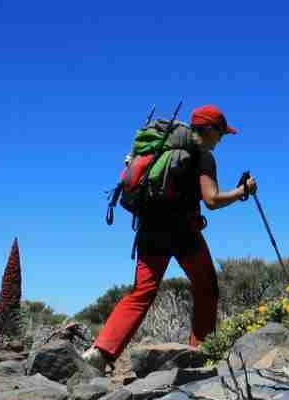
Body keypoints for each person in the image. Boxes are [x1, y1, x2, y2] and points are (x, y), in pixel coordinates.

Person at [82, 105, 258, 371]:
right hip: (184, 233)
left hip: (149, 230)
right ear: (209, 130)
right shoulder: (202, 156)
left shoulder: (158, 150)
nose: (221, 139)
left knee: (142, 292)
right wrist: (243, 190)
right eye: (221, 133)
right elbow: (211, 200)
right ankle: (202, 353)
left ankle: (101, 351)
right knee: (207, 287)